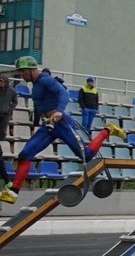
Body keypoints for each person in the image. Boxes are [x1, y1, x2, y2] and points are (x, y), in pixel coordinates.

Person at [0, 56, 126, 204]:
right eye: (20, 71)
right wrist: (36, 122)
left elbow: (64, 93)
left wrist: (59, 111)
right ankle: (13, 192)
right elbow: (40, 105)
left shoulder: (45, 80)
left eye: (23, 71)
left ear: (32, 69)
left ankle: (108, 129)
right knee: (25, 155)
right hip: (48, 125)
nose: (21, 74)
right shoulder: (35, 84)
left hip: (60, 122)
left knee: (86, 155)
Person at [0, 75, 17, 154]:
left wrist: (9, 109)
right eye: (0, 81)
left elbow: (15, 102)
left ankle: (2, 147)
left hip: (5, 114)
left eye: (3, 81)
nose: (1, 83)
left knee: (3, 131)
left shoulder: (12, 91)